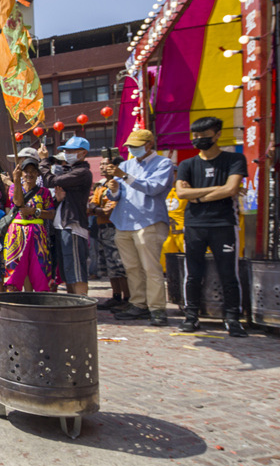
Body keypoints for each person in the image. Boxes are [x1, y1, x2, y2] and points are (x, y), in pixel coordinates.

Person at [174, 116, 248, 336]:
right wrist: (217, 190)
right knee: (193, 273)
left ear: (217, 135)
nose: (198, 140)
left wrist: (197, 196)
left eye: (204, 136)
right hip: (194, 225)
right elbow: (181, 193)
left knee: (228, 273)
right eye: (195, 136)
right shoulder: (187, 164)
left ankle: (233, 318)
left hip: (224, 223)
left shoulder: (234, 159)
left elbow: (231, 189)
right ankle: (191, 316)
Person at [106, 129, 176, 326]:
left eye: (136, 146)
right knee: (132, 267)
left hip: (149, 221)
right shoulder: (126, 165)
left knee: (151, 268)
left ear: (149, 144)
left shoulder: (163, 164)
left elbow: (153, 188)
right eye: (130, 147)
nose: (132, 150)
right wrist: (113, 190)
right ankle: (138, 304)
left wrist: (125, 177)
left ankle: (157, 308)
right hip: (123, 222)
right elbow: (117, 195)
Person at [38, 137, 93, 296]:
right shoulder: (71, 171)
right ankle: (73, 302)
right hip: (62, 225)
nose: (67, 154)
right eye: (66, 151)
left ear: (83, 153)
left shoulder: (82, 173)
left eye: (71, 151)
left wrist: (44, 161)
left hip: (72, 226)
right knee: (67, 271)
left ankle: (81, 304)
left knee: (76, 271)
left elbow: (50, 180)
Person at [4, 157, 56, 291]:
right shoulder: (14, 188)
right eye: (26, 171)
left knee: (38, 268)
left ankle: (34, 298)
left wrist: (35, 211)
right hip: (16, 233)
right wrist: (15, 180)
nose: (29, 174)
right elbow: (17, 202)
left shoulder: (45, 192)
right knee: (16, 267)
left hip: (38, 233)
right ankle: (15, 300)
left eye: (33, 171)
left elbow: (51, 214)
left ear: (38, 173)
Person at [91, 159, 130, 310]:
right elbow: (92, 205)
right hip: (101, 228)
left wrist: (96, 210)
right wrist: (96, 209)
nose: (103, 167)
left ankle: (127, 297)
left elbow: (108, 210)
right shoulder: (101, 186)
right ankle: (116, 295)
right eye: (101, 164)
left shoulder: (119, 185)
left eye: (107, 164)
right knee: (109, 266)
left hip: (114, 228)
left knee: (119, 265)